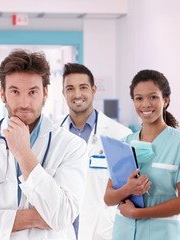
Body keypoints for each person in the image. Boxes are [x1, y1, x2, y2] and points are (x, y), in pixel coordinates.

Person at [0, 49, 88, 240]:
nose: (24, 103)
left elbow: (63, 216)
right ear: (2, 93)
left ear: (45, 93)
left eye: (32, 92)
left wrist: (24, 155)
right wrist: (31, 218)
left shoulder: (72, 146)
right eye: (15, 91)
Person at [104, 69, 180, 240]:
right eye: (139, 98)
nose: (145, 104)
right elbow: (108, 198)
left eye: (153, 97)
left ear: (165, 100)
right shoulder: (124, 143)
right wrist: (127, 189)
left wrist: (138, 213)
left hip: (161, 234)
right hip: (123, 232)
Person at [60, 63, 132, 240]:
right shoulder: (53, 136)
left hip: (103, 231)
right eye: (70, 88)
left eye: (83, 87)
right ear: (63, 94)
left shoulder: (120, 135)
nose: (77, 94)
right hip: (62, 227)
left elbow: (129, 192)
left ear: (93, 90)